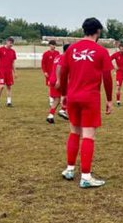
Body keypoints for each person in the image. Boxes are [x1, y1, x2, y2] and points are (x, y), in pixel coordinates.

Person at [58, 18, 113, 188]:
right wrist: (109, 99)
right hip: (90, 98)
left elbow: (63, 73)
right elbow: (107, 78)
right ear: (98, 31)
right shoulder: (101, 51)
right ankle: (86, 177)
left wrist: (64, 94)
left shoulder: (71, 49)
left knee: (74, 132)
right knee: (88, 135)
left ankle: (69, 169)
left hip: (73, 96)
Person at [46, 43, 70, 124]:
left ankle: (50, 115)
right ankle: (63, 110)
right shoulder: (66, 57)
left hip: (52, 79)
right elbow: (59, 68)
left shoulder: (57, 56)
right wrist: (59, 80)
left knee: (57, 98)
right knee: (70, 94)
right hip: (59, 80)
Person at [0, 37, 17, 107]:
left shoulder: (13, 52)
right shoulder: (0, 50)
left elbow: (13, 63)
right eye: (10, 43)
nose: (11, 44)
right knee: (1, 86)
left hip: (9, 72)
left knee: (9, 87)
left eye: (12, 43)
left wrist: (15, 72)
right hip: (1, 71)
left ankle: (9, 102)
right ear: (7, 42)